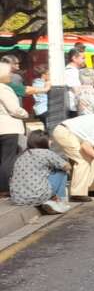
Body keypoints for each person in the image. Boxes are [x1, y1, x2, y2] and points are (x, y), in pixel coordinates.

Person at [8, 130, 71, 214]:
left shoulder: (22, 154)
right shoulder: (46, 153)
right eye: (49, 139)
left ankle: (52, 199)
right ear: (43, 141)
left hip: (17, 198)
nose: (51, 141)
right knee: (61, 171)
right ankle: (59, 201)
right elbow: (67, 166)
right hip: (38, 196)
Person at [0, 60, 30, 194]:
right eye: (8, 73)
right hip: (8, 127)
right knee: (8, 159)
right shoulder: (3, 89)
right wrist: (25, 114)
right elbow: (14, 109)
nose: (10, 76)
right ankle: (4, 188)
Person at [64, 46, 86, 116]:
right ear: (74, 58)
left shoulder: (75, 71)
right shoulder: (71, 71)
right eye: (83, 58)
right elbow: (76, 90)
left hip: (77, 107)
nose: (84, 60)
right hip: (75, 108)